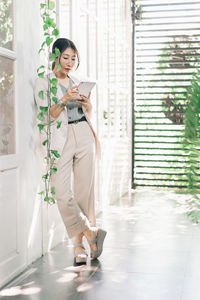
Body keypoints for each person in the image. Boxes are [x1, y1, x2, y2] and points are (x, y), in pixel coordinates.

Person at [34, 38, 107, 264]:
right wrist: (64, 99)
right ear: (55, 57)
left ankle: (79, 247)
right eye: (65, 57)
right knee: (62, 192)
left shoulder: (77, 81)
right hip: (61, 140)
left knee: (84, 193)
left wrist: (87, 105)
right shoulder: (43, 82)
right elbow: (45, 117)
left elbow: (87, 113)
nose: (69, 62)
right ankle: (91, 233)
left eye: (73, 58)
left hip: (84, 134)